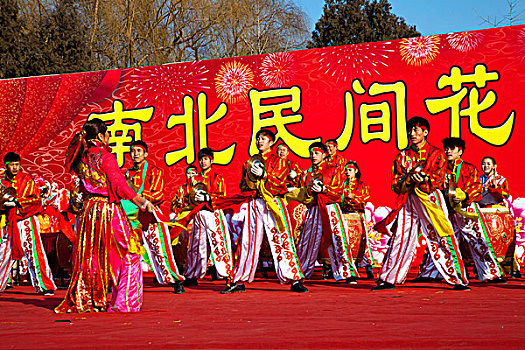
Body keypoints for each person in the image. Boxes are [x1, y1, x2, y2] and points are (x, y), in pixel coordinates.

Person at [55, 118, 155, 313]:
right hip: (107, 211)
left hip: (88, 212)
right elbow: (119, 185)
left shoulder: (80, 159)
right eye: (107, 133)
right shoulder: (106, 157)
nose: (109, 137)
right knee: (130, 252)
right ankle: (125, 302)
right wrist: (141, 202)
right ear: (100, 136)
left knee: (90, 257)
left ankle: (88, 299)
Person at [372, 117, 469, 291]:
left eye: (417, 130)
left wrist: (423, 179)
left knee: (441, 235)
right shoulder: (402, 155)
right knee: (401, 236)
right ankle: (389, 278)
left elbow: (439, 179)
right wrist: (409, 179)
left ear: (426, 132)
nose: (412, 134)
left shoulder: (436, 154)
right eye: (410, 130)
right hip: (408, 198)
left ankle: (457, 278)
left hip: (430, 198)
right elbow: (395, 182)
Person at [220, 129, 307, 293]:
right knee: (248, 240)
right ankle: (239, 280)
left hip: (274, 202)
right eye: (258, 139)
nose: (260, 141)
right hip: (255, 202)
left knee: (282, 238)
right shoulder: (249, 162)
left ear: (271, 143)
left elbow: (281, 184)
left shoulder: (279, 161)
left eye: (263, 139)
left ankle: (294, 279)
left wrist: (265, 175)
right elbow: (243, 186)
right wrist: (251, 181)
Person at [417, 138, 506, 283]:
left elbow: (477, 187)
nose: (448, 151)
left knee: (478, 241)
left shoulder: (469, 168)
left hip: (466, 209)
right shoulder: (441, 169)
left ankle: (492, 274)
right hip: (447, 210)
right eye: (446, 148)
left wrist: (464, 195)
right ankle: (431, 274)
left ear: (460, 151)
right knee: (442, 241)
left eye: (452, 148)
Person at [123, 140, 185, 294]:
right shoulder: (128, 173)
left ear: (146, 154)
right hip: (131, 215)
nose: (135, 154)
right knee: (127, 249)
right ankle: (124, 283)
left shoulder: (153, 171)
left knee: (160, 248)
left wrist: (138, 196)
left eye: (139, 151)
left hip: (150, 214)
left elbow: (158, 194)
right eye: (133, 150)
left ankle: (176, 280)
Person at [295, 142, 359, 284]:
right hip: (314, 208)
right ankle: (301, 272)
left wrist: (324, 189)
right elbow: (303, 193)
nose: (313, 156)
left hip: (330, 207)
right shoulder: (307, 173)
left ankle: (347, 273)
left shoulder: (333, 170)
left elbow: (338, 191)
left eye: (316, 153)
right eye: (311, 153)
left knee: (339, 239)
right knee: (308, 240)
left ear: (324, 155)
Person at [0, 152, 56, 295]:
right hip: (9, 221)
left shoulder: (26, 180)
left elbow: (36, 200)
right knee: (3, 254)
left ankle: (45, 286)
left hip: (26, 221)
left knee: (34, 254)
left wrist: (17, 202)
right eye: (12, 165)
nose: (15, 167)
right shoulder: (2, 182)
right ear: (6, 166)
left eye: (17, 164)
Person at [183, 148, 234, 287]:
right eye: (201, 159)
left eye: (205, 159)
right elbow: (187, 197)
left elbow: (222, 197)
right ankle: (192, 275)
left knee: (220, 243)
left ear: (211, 160)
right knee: (196, 245)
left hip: (213, 213)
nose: (203, 161)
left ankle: (228, 276)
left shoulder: (218, 177)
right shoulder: (195, 179)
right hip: (199, 214)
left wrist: (208, 198)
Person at [340, 160, 375, 279]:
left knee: (363, 243)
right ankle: (350, 269)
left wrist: (353, 197)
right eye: (346, 170)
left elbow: (365, 198)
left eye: (350, 170)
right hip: (345, 216)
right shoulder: (341, 185)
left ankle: (368, 268)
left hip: (358, 216)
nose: (347, 172)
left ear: (356, 171)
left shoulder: (362, 185)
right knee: (347, 243)